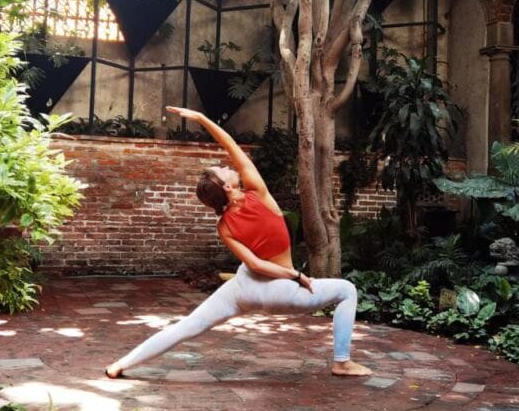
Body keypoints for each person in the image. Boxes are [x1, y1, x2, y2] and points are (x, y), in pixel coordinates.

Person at [105, 106, 371, 379]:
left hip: (244, 287)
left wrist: (202, 118)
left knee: (188, 325)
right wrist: (296, 275)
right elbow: (232, 146)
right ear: (228, 187)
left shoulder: (223, 226)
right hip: (277, 290)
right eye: (222, 170)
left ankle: (121, 364)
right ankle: (342, 362)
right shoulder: (258, 194)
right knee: (347, 290)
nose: (226, 166)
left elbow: (253, 264)